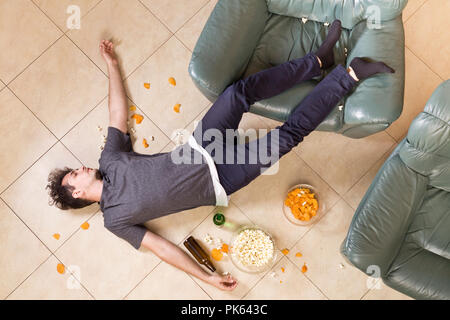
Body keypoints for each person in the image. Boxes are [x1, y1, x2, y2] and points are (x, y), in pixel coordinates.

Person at [46, 20, 394, 291]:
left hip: (201, 145)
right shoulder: (115, 220)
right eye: (73, 175)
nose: (80, 167)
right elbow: (161, 248)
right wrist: (207, 277)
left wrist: (111, 64)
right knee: (288, 136)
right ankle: (349, 76)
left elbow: (116, 115)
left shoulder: (109, 160)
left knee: (238, 93)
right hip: (222, 179)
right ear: (76, 193)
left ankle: (317, 61)